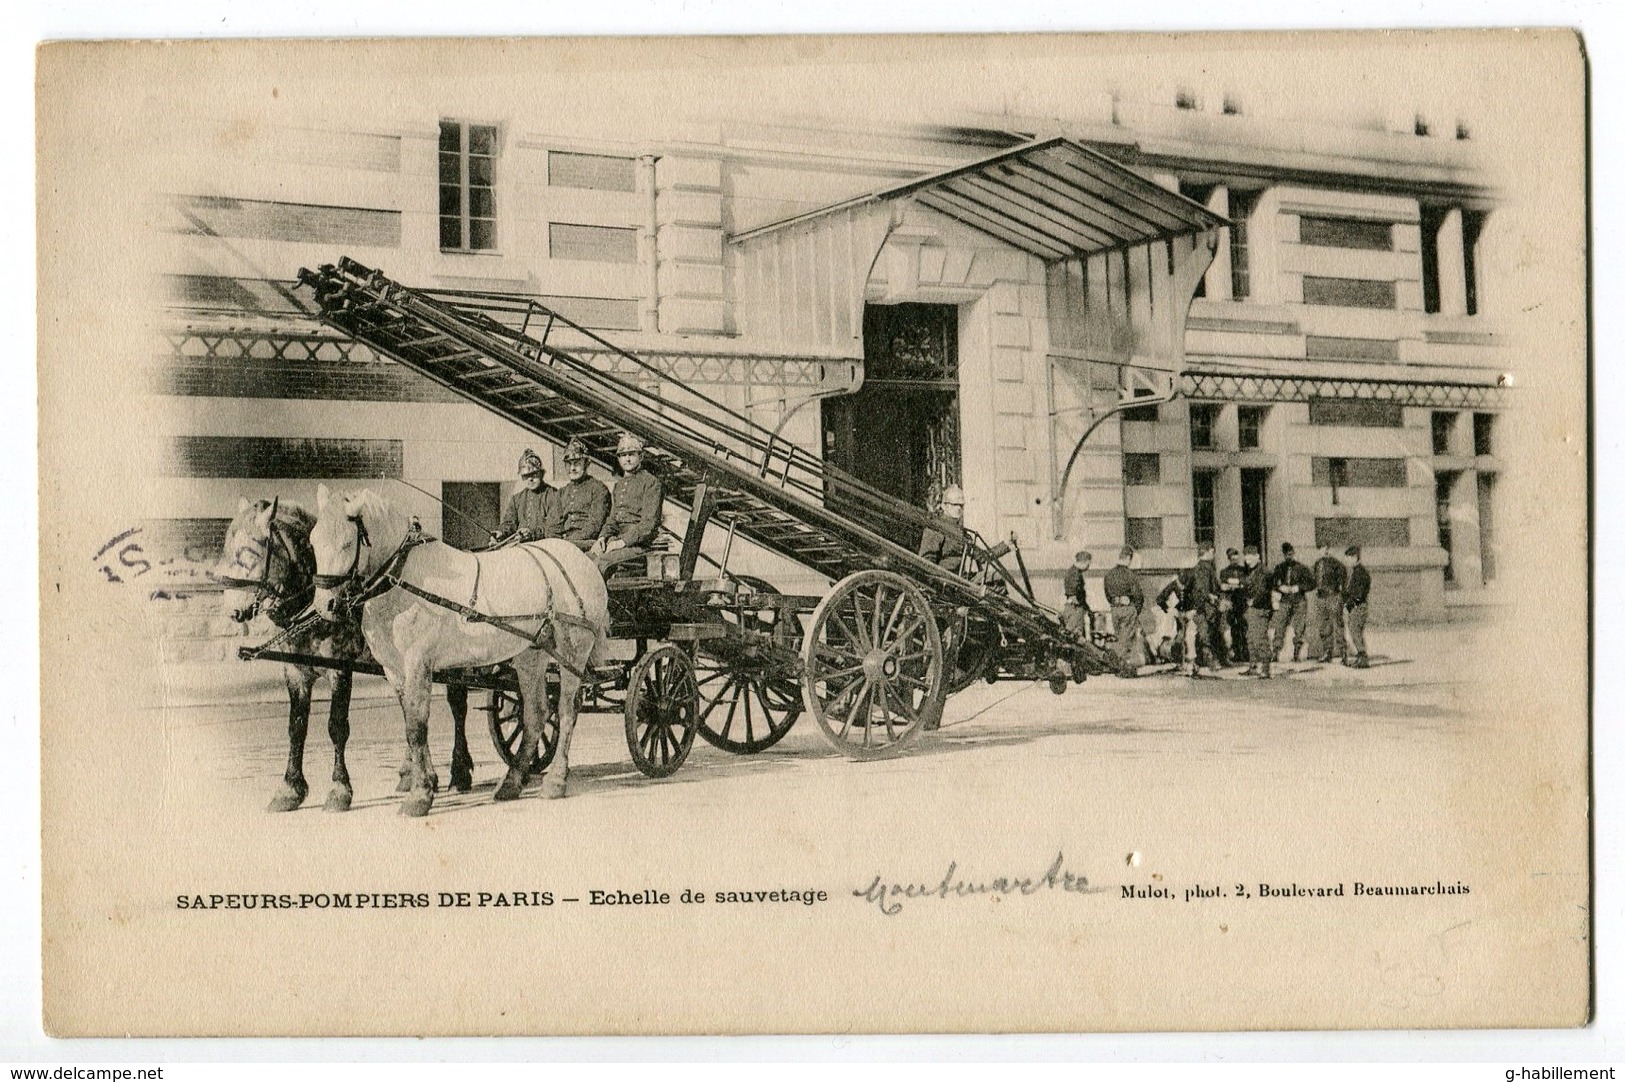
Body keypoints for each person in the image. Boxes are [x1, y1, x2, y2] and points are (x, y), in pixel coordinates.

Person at [593, 433, 663, 572]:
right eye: (623, 455)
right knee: (586, 558)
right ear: (619, 459)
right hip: (617, 542)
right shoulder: (619, 485)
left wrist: (622, 542)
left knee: (602, 562)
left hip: (639, 546)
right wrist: (601, 538)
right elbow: (613, 519)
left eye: (631, 454)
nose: (627, 459)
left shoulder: (651, 483)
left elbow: (648, 524)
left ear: (640, 456)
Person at [1157, 543, 1221, 676]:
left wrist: (1193, 610)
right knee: (1182, 638)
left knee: (1196, 636)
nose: (1183, 575)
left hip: (1192, 612)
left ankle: (1198, 661)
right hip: (1181, 614)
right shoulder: (1175, 584)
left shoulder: (1192, 579)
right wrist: (1169, 610)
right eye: (1181, 572)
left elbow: (1198, 595)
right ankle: (1182, 662)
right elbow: (1160, 599)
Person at [553, 438, 611, 550]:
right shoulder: (561, 492)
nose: (572, 468)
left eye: (577, 463)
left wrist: (567, 543)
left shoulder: (598, 489)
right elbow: (553, 524)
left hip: (587, 542)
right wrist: (554, 541)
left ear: (587, 464)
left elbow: (594, 525)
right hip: (564, 543)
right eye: (568, 464)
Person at [494, 448, 557, 544]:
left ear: (541, 474)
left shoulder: (553, 495)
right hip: (521, 546)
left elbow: (554, 527)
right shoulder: (517, 499)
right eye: (526, 476)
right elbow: (509, 523)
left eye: (534, 474)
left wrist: (533, 533)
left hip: (544, 546)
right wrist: (501, 532)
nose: (530, 479)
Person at [1103, 546, 1147, 676]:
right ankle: (1125, 669)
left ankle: (1120, 666)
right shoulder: (1130, 575)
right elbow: (1138, 595)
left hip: (1115, 609)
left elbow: (1107, 594)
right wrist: (1135, 610)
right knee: (1127, 640)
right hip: (1128, 609)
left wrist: (1114, 604)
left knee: (1120, 637)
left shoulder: (1109, 574)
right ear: (1128, 558)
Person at [1268, 541, 1314, 662]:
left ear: (1293, 553)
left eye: (1290, 554)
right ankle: (1276, 652)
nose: (1289, 556)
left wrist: (1299, 588)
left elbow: (1312, 583)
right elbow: (1272, 583)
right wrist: (1279, 588)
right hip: (1285, 601)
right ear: (1283, 555)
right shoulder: (1279, 568)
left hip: (1299, 600)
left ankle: (1297, 653)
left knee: (1299, 627)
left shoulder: (1302, 568)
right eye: (1286, 554)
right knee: (1280, 626)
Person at [1310, 542, 1350, 664]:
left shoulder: (1336, 564)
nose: (1323, 551)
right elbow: (1314, 579)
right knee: (1324, 627)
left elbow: (1343, 580)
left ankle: (1343, 654)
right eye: (1320, 549)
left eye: (1325, 549)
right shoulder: (1317, 564)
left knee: (1338, 626)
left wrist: (1339, 594)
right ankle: (1327, 652)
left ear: (1328, 549)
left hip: (1333, 597)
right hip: (1321, 598)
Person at [1240, 544, 1275, 679]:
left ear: (1257, 557)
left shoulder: (1263, 572)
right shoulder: (1252, 571)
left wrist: (1252, 601)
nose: (1247, 560)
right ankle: (1253, 666)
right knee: (1251, 637)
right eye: (1246, 557)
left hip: (1260, 609)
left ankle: (1266, 668)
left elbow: (1262, 591)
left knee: (1259, 638)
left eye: (1250, 557)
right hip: (1253, 609)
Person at [918, 485, 969, 573]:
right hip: (945, 581)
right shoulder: (936, 528)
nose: (959, 508)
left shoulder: (962, 531)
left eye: (961, 505)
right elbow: (927, 561)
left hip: (962, 579)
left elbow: (981, 556)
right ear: (944, 505)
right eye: (955, 504)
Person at [1217, 546, 1248, 666]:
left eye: (1236, 558)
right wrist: (1237, 584)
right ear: (1229, 559)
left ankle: (1244, 653)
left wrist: (1233, 584)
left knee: (1243, 626)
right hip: (1231, 601)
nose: (1234, 560)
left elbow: (1245, 583)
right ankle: (1235, 653)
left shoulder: (1244, 570)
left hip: (1242, 601)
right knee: (1232, 627)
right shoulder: (1224, 572)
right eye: (1232, 558)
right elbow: (1223, 585)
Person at [1342, 544, 1372, 668]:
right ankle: (1361, 657)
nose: (1347, 560)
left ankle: (1362, 658)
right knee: (1355, 631)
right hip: (1357, 606)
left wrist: (1349, 605)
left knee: (1355, 631)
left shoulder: (1360, 572)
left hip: (1358, 606)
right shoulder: (1356, 571)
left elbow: (1358, 594)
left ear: (1354, 557)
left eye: (1349, 557)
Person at [1060, 550, 1094, 640]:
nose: (1088, 567)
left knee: (1072, 635)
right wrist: (1084, 606)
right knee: (1075, 637)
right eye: (1088, 564)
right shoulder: (1075, 574)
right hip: (1076, 609)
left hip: (1071, 607)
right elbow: (1078, 593)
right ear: (1084, 562)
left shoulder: (1071, 572)